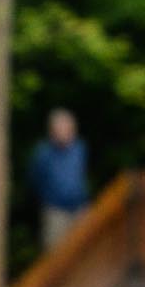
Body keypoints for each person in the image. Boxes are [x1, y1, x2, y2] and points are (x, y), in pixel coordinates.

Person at [28, 107, 90, 249]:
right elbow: (34, 181)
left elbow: (81, 177)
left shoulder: (80, 149)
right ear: (52, 131)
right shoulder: (42, 153)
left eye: (67, 127)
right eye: (59, 128)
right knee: (55, 253)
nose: (64, 131)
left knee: (82, 251)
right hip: (55, 211)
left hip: (80, 209)